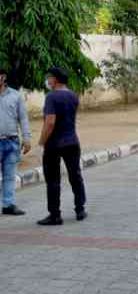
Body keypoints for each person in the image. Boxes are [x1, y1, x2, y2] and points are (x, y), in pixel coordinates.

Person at [37, 68, 87, 225]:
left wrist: (41, 142)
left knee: (53, 179)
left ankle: (55, 215)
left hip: (54, 144)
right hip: (72, 141)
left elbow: (50, 122)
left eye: (49, 77)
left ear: (56, 80)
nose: (48, 80)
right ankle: (80, 209)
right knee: (75, 175)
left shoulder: (51, 97)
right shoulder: (73, 95)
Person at [0, 69, 32, 216]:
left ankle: (8, 205)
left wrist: (26, 138)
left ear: (3, 77)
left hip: (12, 142)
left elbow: (23, 118)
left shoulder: (15, 95)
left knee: (9, 175)